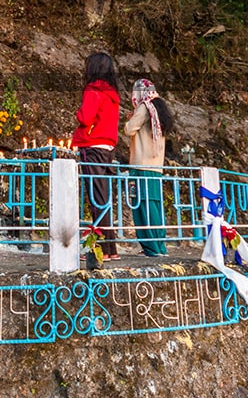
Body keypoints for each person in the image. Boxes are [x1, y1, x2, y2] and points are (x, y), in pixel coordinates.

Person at [73, 53, 121, 260]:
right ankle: (110, 248)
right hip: (107, 145)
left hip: (92, 144)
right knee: (103, 197)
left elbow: (85, 117)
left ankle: (99, 248)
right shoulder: (112, 93)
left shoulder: (94, 90)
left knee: (96, 198)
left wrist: (78, 112)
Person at [124, 79, 175, 257]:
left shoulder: (144, 107)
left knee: (142, 206)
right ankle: (159, 245)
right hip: (155, 167)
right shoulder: (159, 108)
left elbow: (129, 129)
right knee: (154, 205)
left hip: (141, 165)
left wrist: (129, 120)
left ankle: (150, 247)